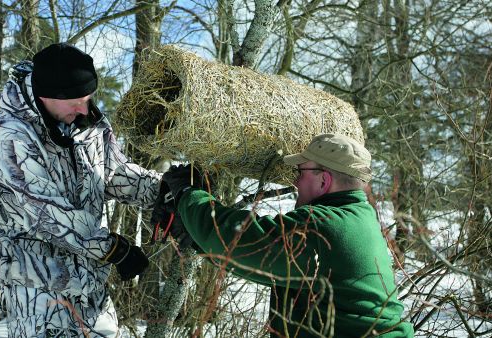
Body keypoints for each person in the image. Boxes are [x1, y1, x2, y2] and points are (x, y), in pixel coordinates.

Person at [0, 43, 161, 338]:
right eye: (76, 100)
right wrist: (113, 249)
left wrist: (162, 189)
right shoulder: (10, 135)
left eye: (88, 98)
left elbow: (112, 173)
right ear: (45, 95)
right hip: (39, 287)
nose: (84, 108)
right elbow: (48, 215)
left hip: (91, 282)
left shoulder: (85, 122)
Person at [161, 134, 415, 337]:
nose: (295, 183)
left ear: (324, 180)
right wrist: (198, 240)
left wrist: (187, 194)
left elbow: (239, 240)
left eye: (300, 173)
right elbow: (265, 263)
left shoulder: (325, 224)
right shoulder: (360, 216)